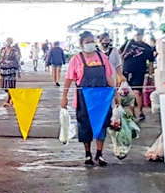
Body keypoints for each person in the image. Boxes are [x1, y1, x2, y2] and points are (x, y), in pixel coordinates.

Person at [61, 31, 118, 167]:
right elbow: (68, 79)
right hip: (83, 101)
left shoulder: (102, 57)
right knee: (85, 126)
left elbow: (108, 77)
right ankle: (87, 154)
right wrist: (64, 97)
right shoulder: (76, 59)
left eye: (92, 41)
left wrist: (116, 93)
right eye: (87, 42)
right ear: (81, 44)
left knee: (101, 126)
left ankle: (99, 154)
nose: (90, 44)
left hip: (102, 100)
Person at [121, 31, 156, 119]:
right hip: (127, 71)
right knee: (129, 93)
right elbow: (119, 53)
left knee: (137, 92)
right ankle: (131, 112)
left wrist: (150, 74)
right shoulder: (128, 43)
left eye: (139, 35)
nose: (137, 36)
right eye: (136, 35)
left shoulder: (147, 47)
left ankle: (140, 111)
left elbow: (151, 62)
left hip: (139, 72)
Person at [0, 38, 21, 104]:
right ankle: (11, 99)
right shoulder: (2, 49)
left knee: (10, 86)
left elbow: (18, 60)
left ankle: (8, 100)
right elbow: (0, 57)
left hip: (11, 70)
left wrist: (19, 71)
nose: (7, 42)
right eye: (7, 41)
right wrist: (0, 60)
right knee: (4, 85)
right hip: (3, 70)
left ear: (11, 42)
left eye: (9, 41)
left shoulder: (14, 51)